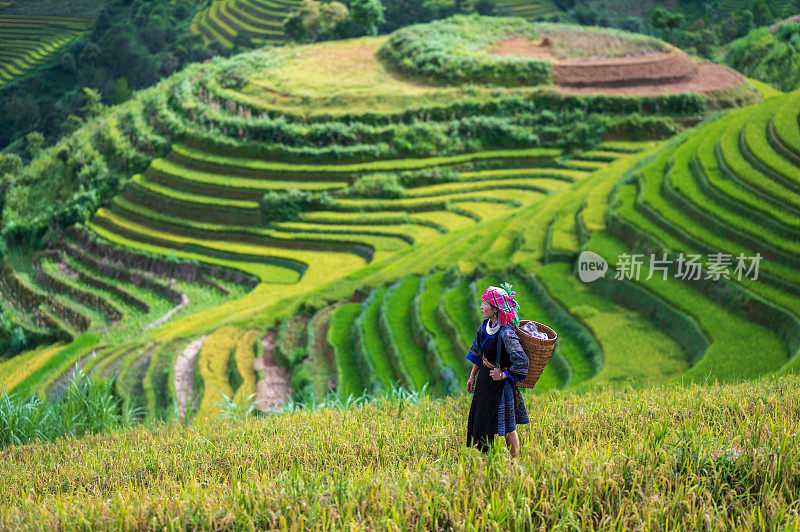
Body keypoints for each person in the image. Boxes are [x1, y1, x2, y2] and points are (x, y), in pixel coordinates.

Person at [466, 282, 530, 457]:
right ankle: (485, 460)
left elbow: (522, 361)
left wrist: (503, 375)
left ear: (495, 309)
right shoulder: (484, 327)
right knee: (481, 422)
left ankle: (514, 462)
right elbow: (477, 353)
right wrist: (472, 376)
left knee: (508, 427)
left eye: (485, 303)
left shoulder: (507, 333)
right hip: (484, 382)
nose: (481, 306)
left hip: (501, 386)